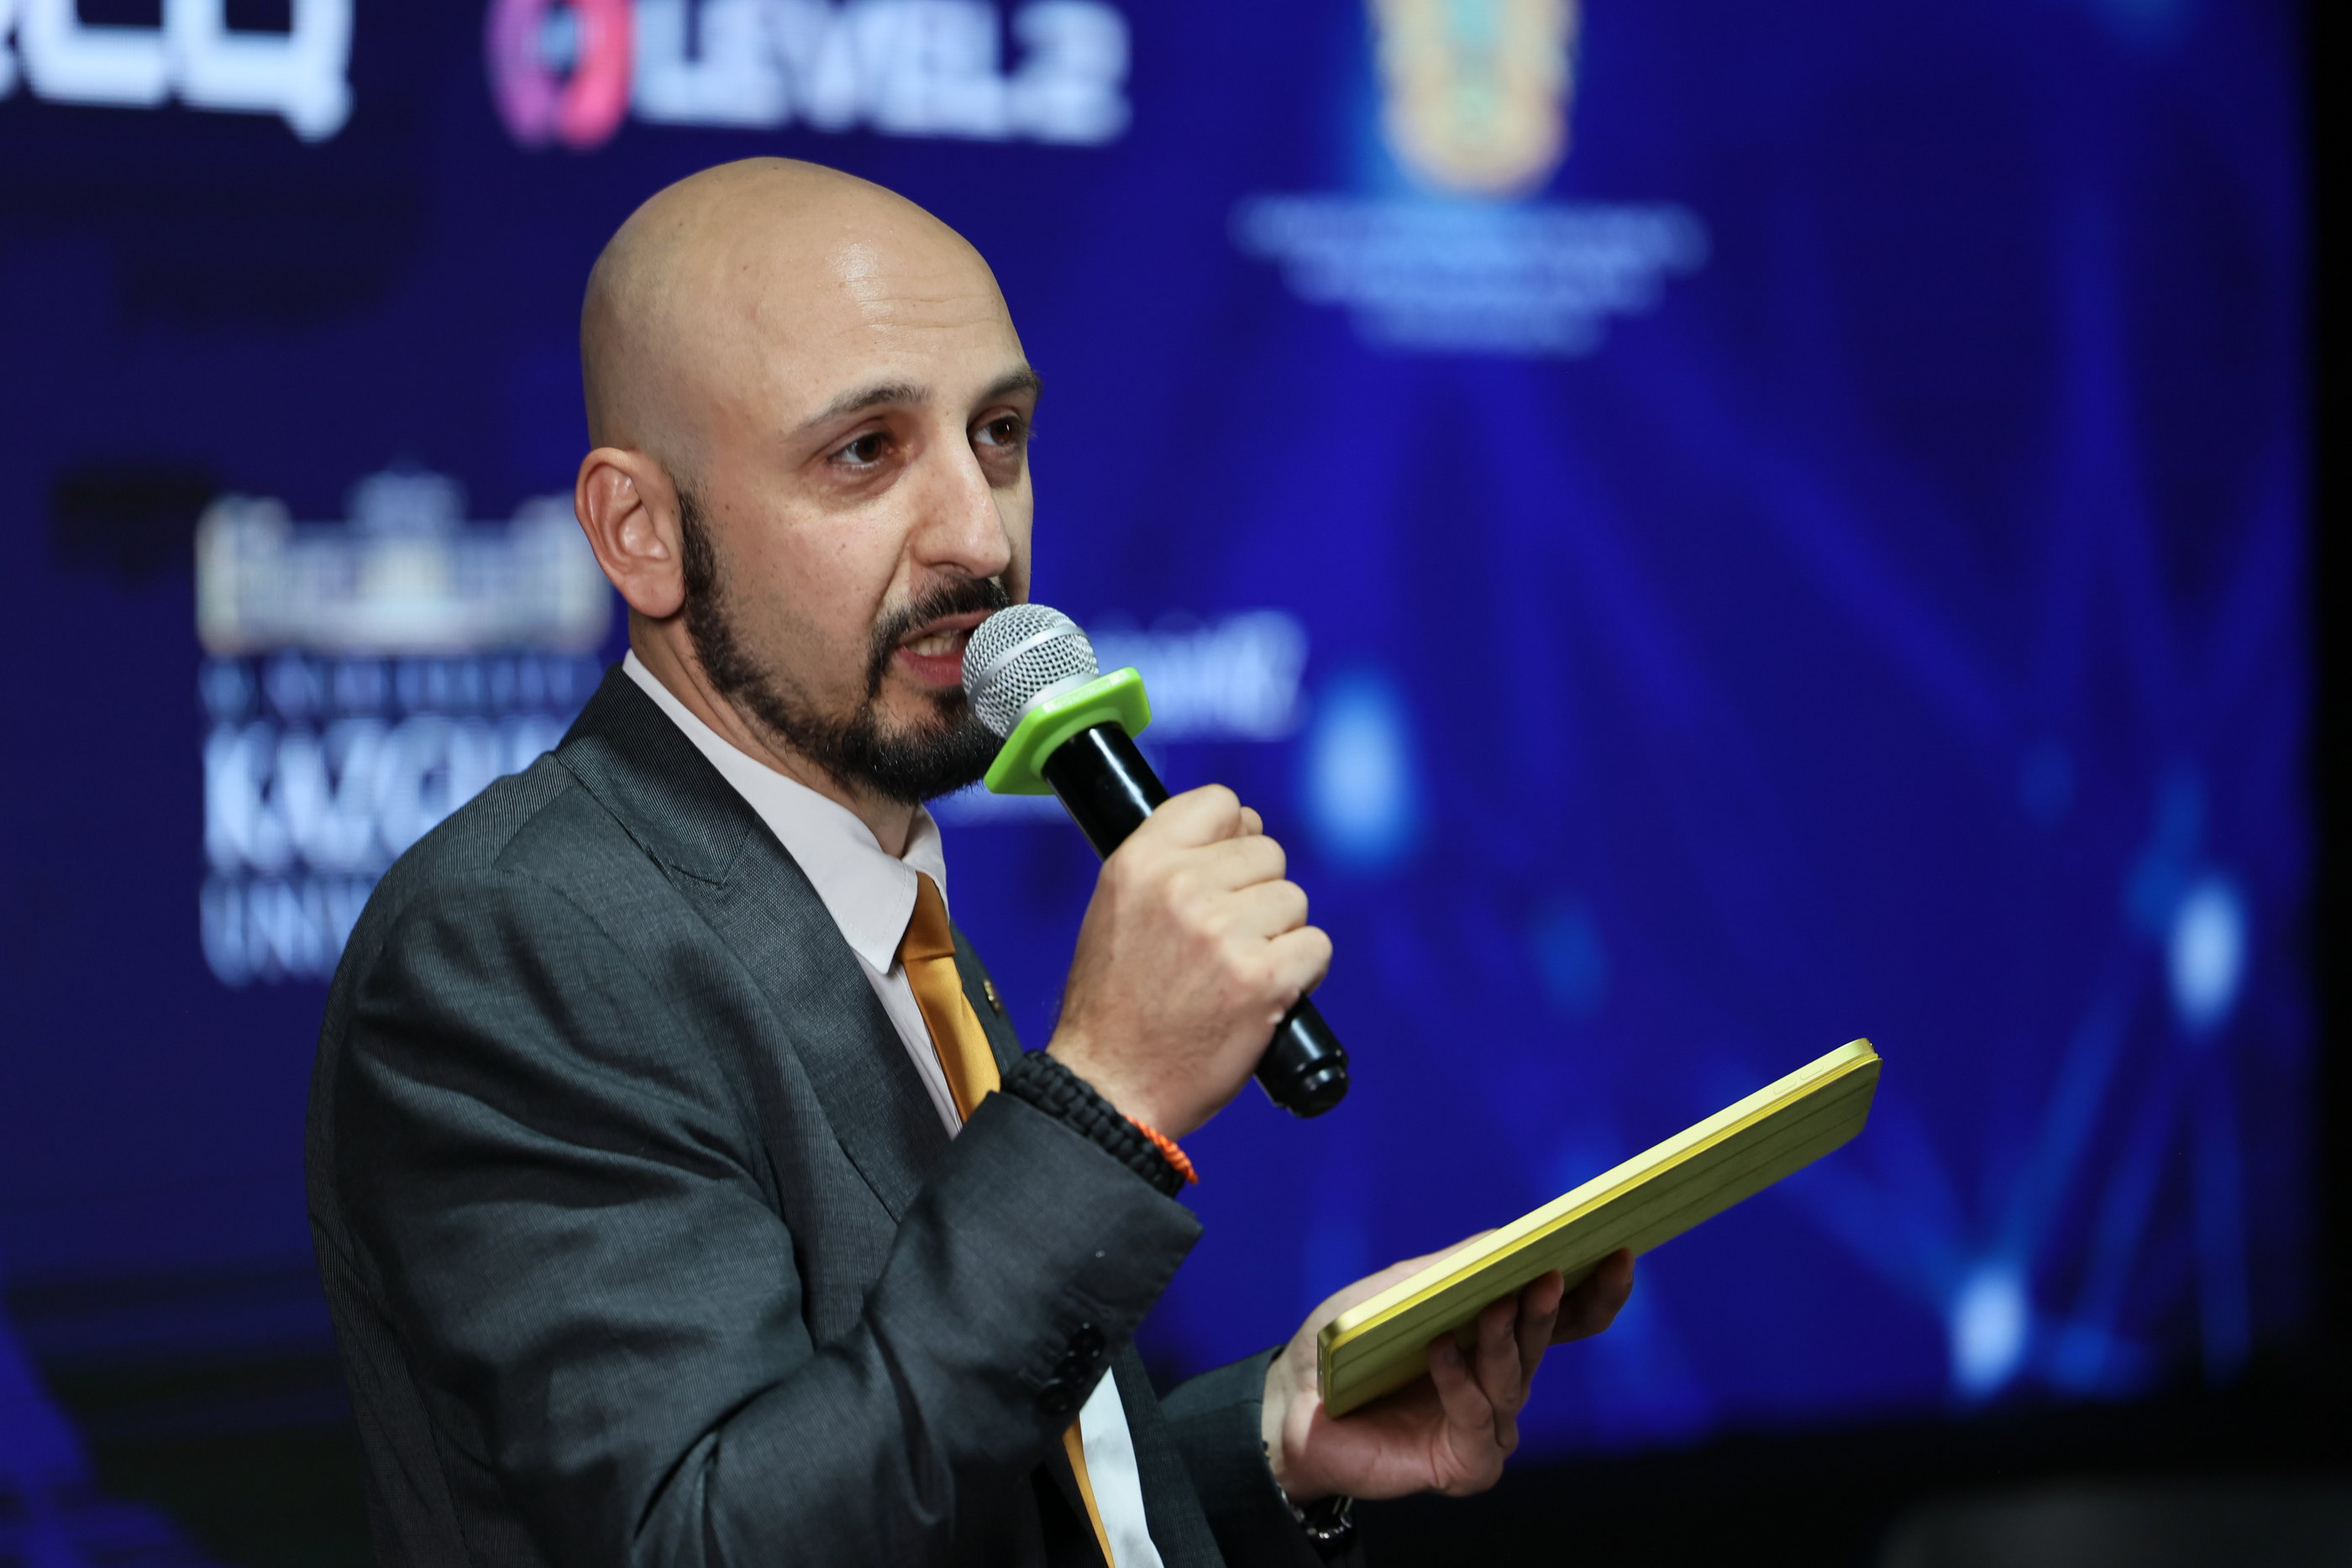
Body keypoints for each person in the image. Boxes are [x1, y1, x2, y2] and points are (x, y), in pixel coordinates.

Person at [304, 157, 1635, 1567]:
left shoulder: (876, 898)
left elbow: (928, 1459)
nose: (979, 535)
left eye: (998, 435)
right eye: (863, 452)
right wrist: (1107, 1100)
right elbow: (717, 1541)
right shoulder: (514, 939)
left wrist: (1273, 1440)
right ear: (642, 532)